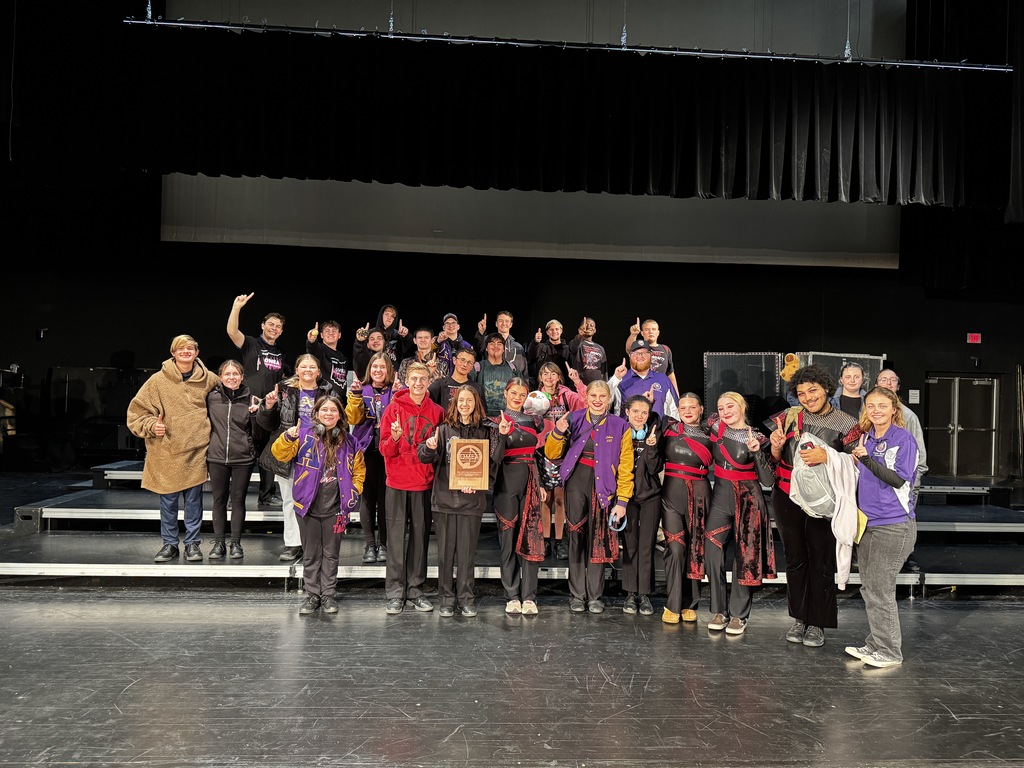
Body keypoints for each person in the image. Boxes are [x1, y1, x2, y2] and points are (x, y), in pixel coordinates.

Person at [769, 365, 861, 647]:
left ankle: (818, 623)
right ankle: (799, 618)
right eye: (801, 393)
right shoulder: (788, 416)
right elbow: (773, 460)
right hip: (787, 494)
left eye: (813, 390)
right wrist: (774, 445)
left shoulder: (847, 423)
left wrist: (828, 457)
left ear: (826, 389)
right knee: (796, 560)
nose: (808, 397)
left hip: (824, 500)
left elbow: (857, 463)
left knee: (821, 561)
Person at [270, 393, 365, 615]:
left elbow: (359, 470)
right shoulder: (302, 435)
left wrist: (354, 490)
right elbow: (279, 454)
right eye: (324, 410)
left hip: (336, 507)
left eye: (333, 410)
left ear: (340, 415)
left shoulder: (350, 442)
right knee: (311, 553)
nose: (329, 414)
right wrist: (288, 437)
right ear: (317, 413)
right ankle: (312, 595)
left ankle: (328, 594)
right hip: (308, 505)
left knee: (331, 553)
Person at [127, 334, 219, 563]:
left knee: (193, 501)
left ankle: (192, 544)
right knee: (168, 502)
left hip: (196, 450)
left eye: (190, 348)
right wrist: (151, 426)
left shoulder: (209, 379)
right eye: (181, 348)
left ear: (197, 353)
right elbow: (136, 413)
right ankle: (169, 544)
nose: (186, 352)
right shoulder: (158, 381)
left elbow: (231, 394)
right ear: (173, 353)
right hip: (166, 451)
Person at [545, 379, 634, 613]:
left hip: (604, 485)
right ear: (587, 397)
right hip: (576, 483)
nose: (597, 400)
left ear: (609, 399)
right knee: (576, 538)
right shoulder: (573, 419)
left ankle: (594, 596)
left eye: (602, 396)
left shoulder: (620, 425)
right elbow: (551, 453)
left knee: (598, 538)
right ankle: (577, 595)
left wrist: (622, 500)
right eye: (593, 395)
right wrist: (558, 432)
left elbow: (626, 466)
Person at [846, 386, 919, 668]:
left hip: (893, 525)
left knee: (881, 589)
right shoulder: (866, 437)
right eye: (871, 406)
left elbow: (899, 480)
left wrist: (865, 458)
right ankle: (875, 644)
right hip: (868, 523)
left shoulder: (903, 439)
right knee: (870, 588)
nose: (876, 410)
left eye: (882, 406)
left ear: (894, 409)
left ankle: (889, 652)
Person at [418, 386, 505, 617]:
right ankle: (446, 599)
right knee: (446, 553)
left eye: (469, 400)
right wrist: (429, 447)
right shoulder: (443, 430)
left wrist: (477, 483)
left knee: (467, 553)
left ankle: (466, 598)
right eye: (460, 400)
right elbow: (425, 456)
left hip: (472, 501)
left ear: (476, 403)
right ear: (454, 404)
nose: (464, 404)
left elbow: (492, 464)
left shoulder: (486, 432)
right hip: (445, 500)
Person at [705, 392, 777, 635]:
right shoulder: (715, 426)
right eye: (720, 406)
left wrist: (757, 452)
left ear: (742, 407)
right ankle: (718, 610)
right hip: (720, 500)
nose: (725, 411)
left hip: (749, 499)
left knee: (745, 557)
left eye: (730, 406)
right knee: (712, 551)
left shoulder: (756, 437)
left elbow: (768, 479)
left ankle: (738, 615)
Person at [256, 353, 338, 562]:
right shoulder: (284, 391)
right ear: (297, 370)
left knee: (316, 499)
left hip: (317, 452)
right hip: (289, 450)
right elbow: (269, 424)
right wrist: (268, 407)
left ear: (318, 371)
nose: (308, 371)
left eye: (312, 367)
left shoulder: (327, 391)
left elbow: (336, 421)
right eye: (304, 367)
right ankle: (293, 543)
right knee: (290, 499)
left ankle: (312, 542)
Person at [379, 361, 446, 615]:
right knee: (396, 539)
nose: (418, 383)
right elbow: (384, 448)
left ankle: (416, 590)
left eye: (423, 379)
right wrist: (395, 438)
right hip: (396, 481)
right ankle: (395, 592)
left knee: (419, 540)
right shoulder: (393, 408)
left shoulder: (437, 411)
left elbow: (439, 450)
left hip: (423, 482)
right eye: (414, 379)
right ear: (406, 381)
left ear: (429, 382)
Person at [226, 293, 289, 510]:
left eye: (278, 326)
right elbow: (232, 332)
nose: (274, 328)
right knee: (244, 456)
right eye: (270, 324)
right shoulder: (251, 344)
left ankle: (267, 495)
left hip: (270, 410)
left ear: (281, 331)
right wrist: (237, 308)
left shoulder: (280, 353)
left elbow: (287, 379)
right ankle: (234, 498)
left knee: (269, 452)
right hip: (248, 408)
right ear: (262, 325)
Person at [492, 377, 548, 616]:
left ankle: (529, 596)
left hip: (531, 481)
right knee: (507, 543)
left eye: (522, 394)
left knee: (531, 538)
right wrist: (503, 435)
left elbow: (539, 455)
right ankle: (512, 595)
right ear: (505, 393)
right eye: (513, 392)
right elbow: (494, 458)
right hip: (506, 484)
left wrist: (541, 482)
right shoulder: (496, 421)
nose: (517, 397)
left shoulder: (535, 421)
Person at [659, 392, 712, 624]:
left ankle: (691, 603)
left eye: (693, 407)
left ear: (701, 409)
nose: (688, 411)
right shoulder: (668, 430)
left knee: (694, 548)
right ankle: (672, 604)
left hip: (700, 494)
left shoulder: (712, 434)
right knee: (676, 549)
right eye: (683, 408)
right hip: (670, 495)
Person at [875, 367, 928, 571]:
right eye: (883, 379)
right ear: (876, 384)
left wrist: (915, 480)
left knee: (904, 521)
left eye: (892, 380)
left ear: (897, 386)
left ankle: (906, 556)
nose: (888, 383)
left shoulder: (909, 417)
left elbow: (919, 454)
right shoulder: (870, 414)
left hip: (903, 482)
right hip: (876, 481)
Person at [534, 362, 588, 560]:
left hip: (564, 451)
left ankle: (560, 541)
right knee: (545, 499)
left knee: (560, 498)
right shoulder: (536, 397)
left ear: (558, 377)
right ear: (540, 377)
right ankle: (546, 540)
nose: (549, 377)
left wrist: (577, 382)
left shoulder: (566, 394)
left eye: (553, 374)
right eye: (545, 374)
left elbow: (585, 404)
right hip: (542, 452)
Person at [205, 359, 259, 560]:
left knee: (238, 501)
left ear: (242, 377)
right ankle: (219, 543)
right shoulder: (211, 397)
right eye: (227, 374)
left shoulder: (251, 399)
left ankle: (236, 543)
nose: (231, 377)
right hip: (217, 457)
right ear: (220, 377)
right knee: (219, 501)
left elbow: (259, 432)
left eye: (235, 374)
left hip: (242, 458)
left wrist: (256, 415)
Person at [347, 352, 396, 564]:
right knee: (366, 499)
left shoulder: (395, 391)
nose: (378, 371)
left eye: (382, 367)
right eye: (375, 367)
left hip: (388, 453)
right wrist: (356, 396)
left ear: (388, 370)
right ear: (370, 369)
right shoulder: (361, 389)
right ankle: (369, 544)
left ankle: (383, 544)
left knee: (385, 501)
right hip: (365, 451)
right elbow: (353, 418)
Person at [620, 395, 663, 617]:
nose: (639, 416)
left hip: (650, 497)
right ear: (627, 412)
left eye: (644, 413)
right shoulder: (619, 432)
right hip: (626, 499)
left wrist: (652, 448)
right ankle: (630, 592)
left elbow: (655, 469)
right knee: (630, 545)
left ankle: (644, 594)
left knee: (646, 546)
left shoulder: (654, 435)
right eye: (635, 411)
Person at [608, 340, 679, 419]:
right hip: (627, 430)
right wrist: (615, 378)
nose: (640, 356)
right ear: (629, 356)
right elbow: (604, 400)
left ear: (651, 355)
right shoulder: (619, 378)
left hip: (657, 430)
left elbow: (674, 410)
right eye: (635, 353)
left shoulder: (663, 379)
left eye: (644, 353)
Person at [623, 317, 679, 394]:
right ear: (642, 333)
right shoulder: (639, 348)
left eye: (653, 329)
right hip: (640, 388)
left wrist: (676, 396)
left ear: (658, 332)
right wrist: (633, 335)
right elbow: (629, 349)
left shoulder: (665, 349)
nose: (650, 332)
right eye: (647, 330)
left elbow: (670, 374)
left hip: (660, 389)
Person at [472, 333, 519, 417]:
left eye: (499, 343)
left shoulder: (513, 369)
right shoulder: (477, 367)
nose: (496, 346)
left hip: (507, 418)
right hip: (482, 418)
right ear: (486, 348)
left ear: (504, 348)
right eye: (492, 343)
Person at [427, 346, 486, 412]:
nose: (465, 365)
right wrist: (428, 374)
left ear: (473, 366)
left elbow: (482, 414)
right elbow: (421, 397)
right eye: (462, 360)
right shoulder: (440, 384)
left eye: (469, 362)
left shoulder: (477, 388)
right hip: (445, 421)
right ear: (454, 360)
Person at [474, 311, 529, 379]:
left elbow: (524, 371)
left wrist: (526, 387)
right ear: (496, 323)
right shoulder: (487, 340)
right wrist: (481, 333)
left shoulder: (518, 347)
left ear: (511, 324)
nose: (504, 323)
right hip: (489, 381)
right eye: (501, 321)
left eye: (507, 321)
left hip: (511, 384)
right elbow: (478, 349)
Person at [305, 320, 349, 398]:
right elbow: (313, 348)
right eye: (327, 331)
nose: (331, 333)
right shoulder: (320, 349)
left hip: (340, 401)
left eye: (334, 331)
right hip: (323, 399)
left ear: (339, 335)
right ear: (321, 335)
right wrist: (312, 340)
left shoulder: (342, 357)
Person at [528, 319, 571, 389]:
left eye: (557, 329)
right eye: (551, 330)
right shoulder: (542, 347)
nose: (554, 332)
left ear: (561, 331)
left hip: (563, 387)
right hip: (544, 387)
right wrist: (535, 342)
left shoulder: (568, 349)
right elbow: (531, 354)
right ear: (547, 332)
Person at [567, 316, 608, 386]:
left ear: (595, 330)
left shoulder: (601, 348)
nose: (589, 326)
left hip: (596, 388)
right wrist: (580, 335)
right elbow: (573, 347)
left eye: (591, 325)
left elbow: (604, 372)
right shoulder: (577, 344)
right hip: (579, 387)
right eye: (586, 325)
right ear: (580, 328)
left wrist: (605, 386)